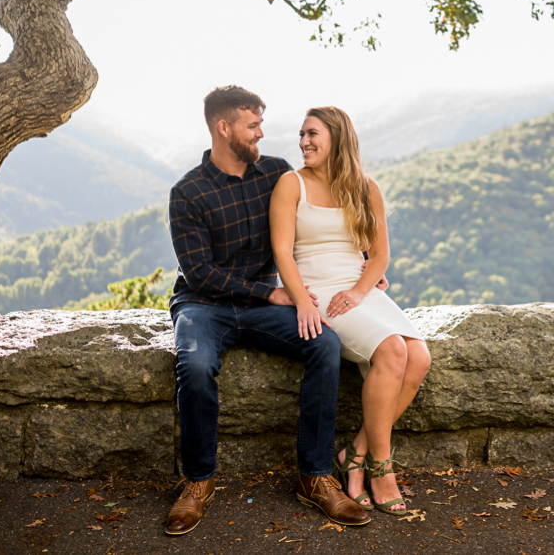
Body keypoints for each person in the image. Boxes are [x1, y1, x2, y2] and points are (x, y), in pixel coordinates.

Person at [165, 87, 371, 536]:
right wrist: (267, 291)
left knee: (325, 344)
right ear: (224, 128)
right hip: (204, 306)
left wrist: (366, 263)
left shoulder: (276, 174)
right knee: (195, 366)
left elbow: (327, 208)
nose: (262, 134)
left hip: (261, 307)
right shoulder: (187, 192)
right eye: (252, 126)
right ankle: (197, 483)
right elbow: (198, 273)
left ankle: (315, 476)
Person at [269, 106, 432, 516]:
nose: (304, 142)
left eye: (312, 134)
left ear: (338, 138)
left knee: (419, 357)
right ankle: (381, 467)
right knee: (394, 350)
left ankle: (355, 453)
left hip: (357, 290)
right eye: (302, 134)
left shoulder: (365, 187)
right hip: (319, 292)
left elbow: (379, 256)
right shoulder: (291, 184)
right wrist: (303, 301)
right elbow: (281, 254)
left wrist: (360, 291)